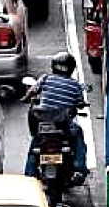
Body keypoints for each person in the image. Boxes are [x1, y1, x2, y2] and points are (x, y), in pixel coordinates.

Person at [24, 51, 89, 180]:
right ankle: (79, 169)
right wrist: (81, 104)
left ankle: (29, 175)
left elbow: (32, 91)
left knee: (35, 146)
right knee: (78, 136)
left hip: (42, 125)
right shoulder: (75, 85)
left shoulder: (45, 78)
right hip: (63, 126)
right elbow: (80, 103)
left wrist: (25, 98)